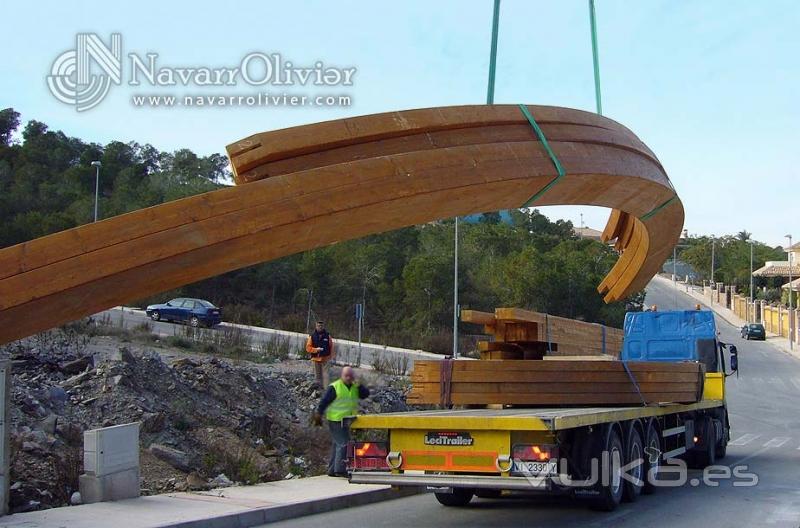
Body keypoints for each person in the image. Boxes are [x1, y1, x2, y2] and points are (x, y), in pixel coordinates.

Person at [313, 366, 370, 477]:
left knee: (337, 443)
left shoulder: (354, 386)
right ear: (342, 376)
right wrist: (318, 413)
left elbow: (365, 394)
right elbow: (324, 401)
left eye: (350, 376)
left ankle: (332, 469)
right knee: (344, 443)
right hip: (336, 419)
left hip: (347, 420)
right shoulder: (335, 387)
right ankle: (340, 469)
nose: (348, 378)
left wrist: (359, 384)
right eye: (346, 376)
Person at [306, 321, 334, 387]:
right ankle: (318, 391)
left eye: (321, 326)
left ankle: (326, 390)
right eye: (318, 326)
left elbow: (331, 347)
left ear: (323, 326)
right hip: (316, 359)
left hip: (325, 359)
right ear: (316, 326)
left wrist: (331, 357)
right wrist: (316, 350)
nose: (320, 327)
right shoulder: (312, 336)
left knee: (326, 376)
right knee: (317, 376)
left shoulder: (327, 336)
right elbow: (308, 348)